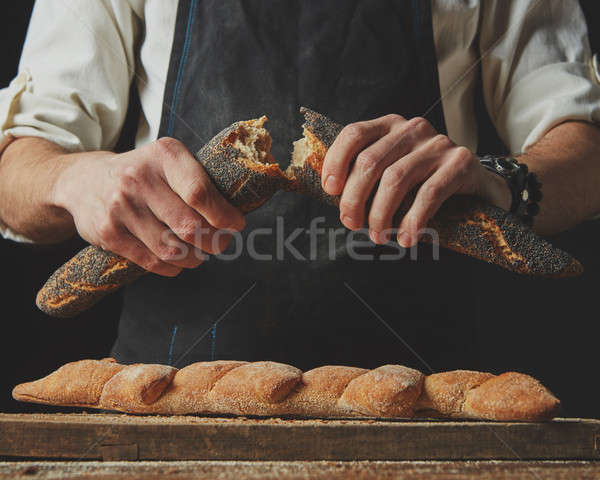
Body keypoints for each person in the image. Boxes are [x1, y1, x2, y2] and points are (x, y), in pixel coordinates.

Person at [1, 0, 599, 372]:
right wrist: (70, 176)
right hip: (169, 388)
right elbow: (13, 171)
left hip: (422, 393)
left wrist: (498, 182)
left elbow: (586, 148)